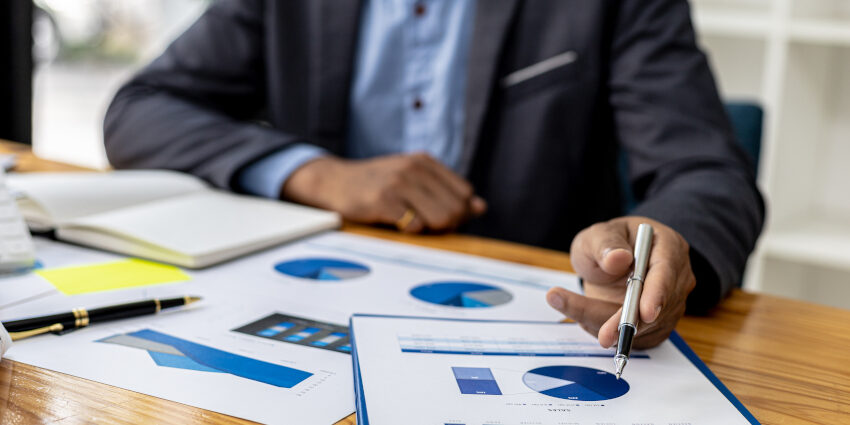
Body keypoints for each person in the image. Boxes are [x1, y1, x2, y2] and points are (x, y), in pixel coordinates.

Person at [103, 0, 764, 349]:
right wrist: (317, 173)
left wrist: (665, 239)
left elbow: (706, 168)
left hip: (536, 326)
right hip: (312, 307)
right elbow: (139, 110)